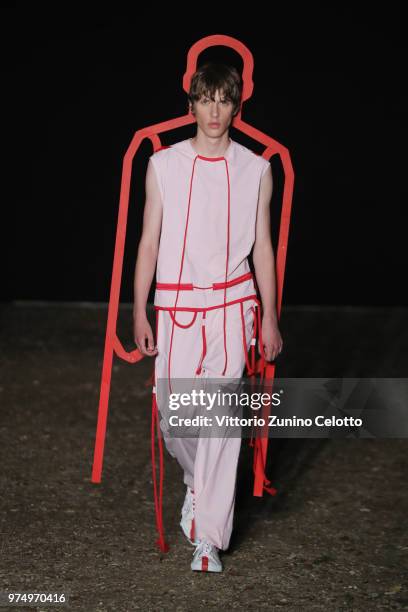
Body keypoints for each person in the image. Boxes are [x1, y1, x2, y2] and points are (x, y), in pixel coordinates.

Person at [133, 62, 283, 572]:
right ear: (191, 104)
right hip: (175, 306)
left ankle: (209, 540)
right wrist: (139, 309)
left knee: (220, 421)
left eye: (224, 100)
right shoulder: (164, 165)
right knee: (175, 419)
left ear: (237, 106)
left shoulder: (256, 169)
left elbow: (262, 247)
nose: (215, 111)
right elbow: (148, 241)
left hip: (232, 304)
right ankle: (197, 483)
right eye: (206, 99)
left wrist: (270, 318)